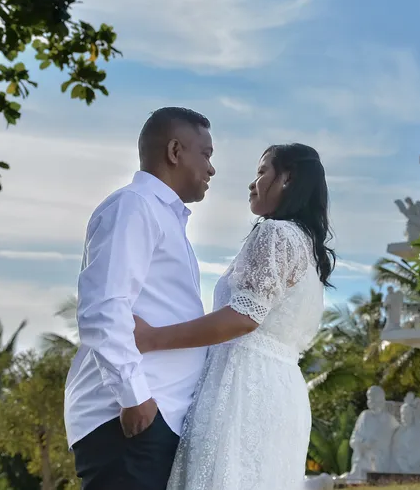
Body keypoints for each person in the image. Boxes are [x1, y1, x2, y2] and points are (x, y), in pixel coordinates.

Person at [134, 142, 336, 490]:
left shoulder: (275, 233)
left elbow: (243, 317)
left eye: (262, 172)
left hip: (244, 385)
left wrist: (152, 338)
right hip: (283, 390)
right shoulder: (309, 249)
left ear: (287, 178)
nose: (252, 183)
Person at [65, 107, 216, 490]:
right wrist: (134, 397)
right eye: (206, 154)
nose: (211, 169)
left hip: (153, 416)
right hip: (130, 418)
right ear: (175, 151)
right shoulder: (134, 206)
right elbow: (104, 308)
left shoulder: (163, 217)